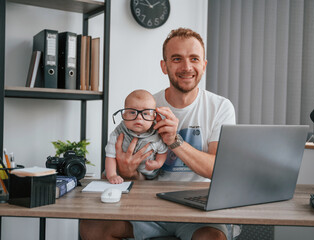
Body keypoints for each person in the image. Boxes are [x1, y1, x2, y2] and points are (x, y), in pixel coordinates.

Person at [79, 28, 236, 240]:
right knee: (91, 228)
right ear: (164, 66)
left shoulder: (220, 107)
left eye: (194, 59)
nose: (187, 67)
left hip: (200, 207)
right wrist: (128, 172)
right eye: (177, 59)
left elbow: (219, 170)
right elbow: (124, 174)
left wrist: (174, 141)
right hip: (149, 204)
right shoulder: (143, 107)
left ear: (204, 65)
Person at [104, 89, 168, 184]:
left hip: (148, 177)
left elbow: (163, 151)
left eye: (145, 113)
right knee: (106, 176)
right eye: (132, 112)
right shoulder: (118, 133)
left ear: (153, 117)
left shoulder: (156, 135)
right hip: (120, 176)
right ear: (124, 115)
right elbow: (110, 156)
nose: (139, 117)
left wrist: (158, 163)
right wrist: (112, 175)